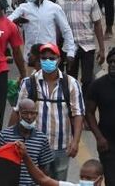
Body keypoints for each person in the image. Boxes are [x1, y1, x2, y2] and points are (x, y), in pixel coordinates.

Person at [14, 43, 85, 180]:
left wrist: (75, 141)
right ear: (39, 59)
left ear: (59, 59)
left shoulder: (71, 83)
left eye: (51, 58)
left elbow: (78, 114)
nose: (48, 61)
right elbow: (17, 111)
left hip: (61, 146)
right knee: (35, 179)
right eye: (44, 58)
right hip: (34, 144)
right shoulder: (29, 83)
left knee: (58, 181)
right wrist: (11, 137)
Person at [0, 98, 55, 186]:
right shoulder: (4, 136)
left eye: (32, 113)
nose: (29, 117)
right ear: (18, 114)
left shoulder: (42, 139)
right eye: (25, 113)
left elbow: (45, 169)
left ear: (36, 114)